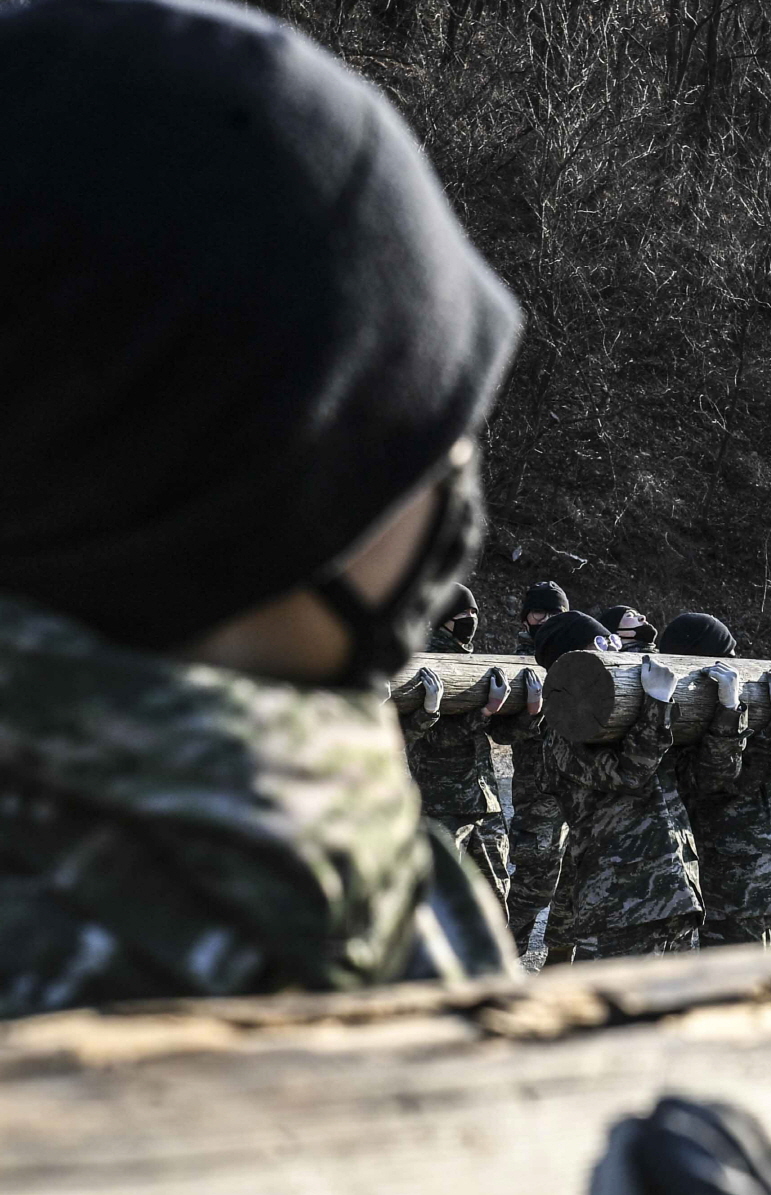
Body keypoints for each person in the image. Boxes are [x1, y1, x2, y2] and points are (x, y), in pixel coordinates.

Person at [0, 0, 522, 1014]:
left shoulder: (281, 842)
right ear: (252, 489)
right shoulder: (152, 952)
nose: (458, 477)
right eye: (417, 434)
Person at [535, 612, 711, 960]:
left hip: (672, 886)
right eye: (601, 641)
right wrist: (657, 705)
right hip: (618, 898)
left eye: (613, 638)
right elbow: (628, 774)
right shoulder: (563, 729)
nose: (615, 645)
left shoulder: (624, 711)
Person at [670, 613, 771, 949]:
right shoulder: (684, 723)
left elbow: (758, 769)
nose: (737, 665)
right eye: (727, 655)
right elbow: (725, 780)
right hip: (734, 890)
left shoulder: (737, 713)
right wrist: (733, 710)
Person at [400, 584, 525, 914]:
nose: (471, 619)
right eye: (462, 614)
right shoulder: (422, 664)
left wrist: (530, 712)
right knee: (437, 903)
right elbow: (430, 738)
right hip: (441, 805)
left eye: (474, 613)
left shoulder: (474, 664)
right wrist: (482, 712)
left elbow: (503, 735)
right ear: (442, 618)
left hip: (485, 802)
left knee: (495, 899)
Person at [517, 581, 570, 654]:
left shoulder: (579, 658)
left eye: (555, 613)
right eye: (539, 612)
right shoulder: (511, 662)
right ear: (525, 619)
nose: (546, 619)